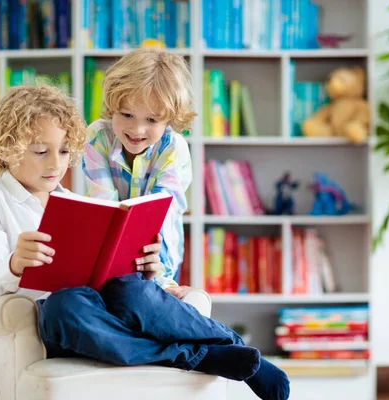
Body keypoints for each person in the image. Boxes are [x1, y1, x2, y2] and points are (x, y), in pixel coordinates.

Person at [0, 84, 289, 400]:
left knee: (133, 290)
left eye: (64, 151)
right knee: (66, 305)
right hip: (61, 316)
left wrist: (144, 267)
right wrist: (14, 264)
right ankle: (198, 355)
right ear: (8, 148)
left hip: (102, 303)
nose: (55, 164)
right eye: (41, 152)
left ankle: (237, 350)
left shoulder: (71, 202)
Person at [82, 48, 290, 399]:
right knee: (95, 306)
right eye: (127, 114)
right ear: (110, 109)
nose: (136, 129)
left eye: (151, 120)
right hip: (107, 256)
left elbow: (161, 215)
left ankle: (232, 346)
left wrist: (158, 277)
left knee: (135, 298)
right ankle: (211, 351)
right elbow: (103, 204)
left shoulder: (173, 147)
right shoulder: (96, 137)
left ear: (170, 119)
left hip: (155, 255)